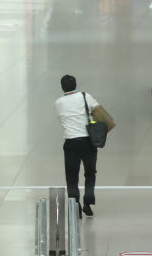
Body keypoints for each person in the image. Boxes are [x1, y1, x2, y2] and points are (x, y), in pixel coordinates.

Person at [54, 75, 111, 218]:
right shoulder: (85, 96)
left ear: (62, 87)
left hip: (71, 142)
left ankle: (75, 207)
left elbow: (62, 118)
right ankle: (88, 203)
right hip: (88, 141)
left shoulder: (58, 102)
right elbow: (99, 112)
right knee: (90, 173)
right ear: (75, 85)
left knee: (72, 176)